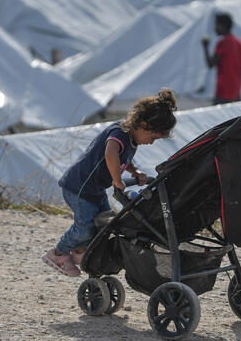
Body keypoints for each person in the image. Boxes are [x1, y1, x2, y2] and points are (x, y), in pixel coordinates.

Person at [42, 88, 177, 277]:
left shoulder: (132, 139)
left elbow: (124, 159)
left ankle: (80, 251)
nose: (152, 142)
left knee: (104, 224)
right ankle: (57, 254)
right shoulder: (119, 132)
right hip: (79, 187)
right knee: (85, 227)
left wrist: (135, 172)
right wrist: (116, 179)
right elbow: (110, 153)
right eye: (153, 137)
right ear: (144, 124)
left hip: (94, 189)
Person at [201, 12, 241, 105]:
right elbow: (240, 69)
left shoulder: (222, 43)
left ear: (222, 26)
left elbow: (211, 64)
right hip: (235, 90)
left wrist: (205, 48)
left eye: (216, 25)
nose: (215, 28)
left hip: (223, 91)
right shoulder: (240, 43)